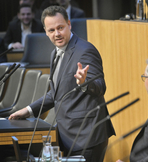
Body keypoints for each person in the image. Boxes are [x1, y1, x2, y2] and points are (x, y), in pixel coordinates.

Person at [9, 6, 115, 162]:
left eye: (60, 28)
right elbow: (56, 92)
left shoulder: (85, 50)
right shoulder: (55, 53)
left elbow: (100, 87)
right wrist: (28, 110)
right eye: (51, 30)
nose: (56, 34)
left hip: (87, 137)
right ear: (45, 31)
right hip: (68, 136)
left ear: (69, 24)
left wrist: (84, 82)